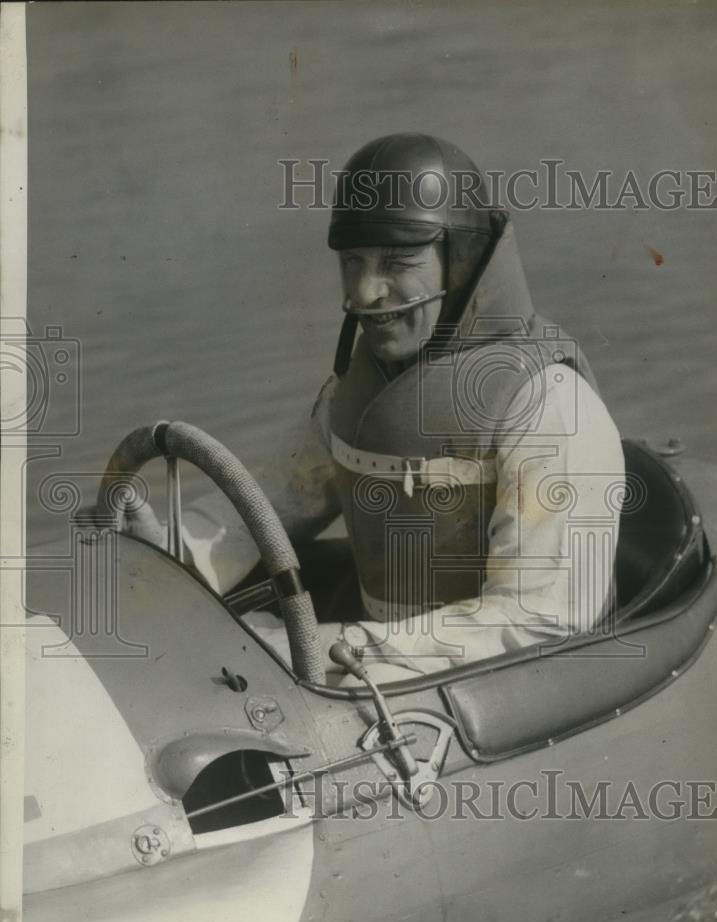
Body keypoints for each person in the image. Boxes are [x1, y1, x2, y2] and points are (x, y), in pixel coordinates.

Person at [120, 134, 626, 684]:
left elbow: (537, 623)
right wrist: (171, 557)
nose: (366, 292)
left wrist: (332, 645)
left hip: (521, 689)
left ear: (461, 261)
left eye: (398, 262)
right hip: (394, 664)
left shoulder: (549, 405)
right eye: (353, 262)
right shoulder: (357, 392)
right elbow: (267, 509)